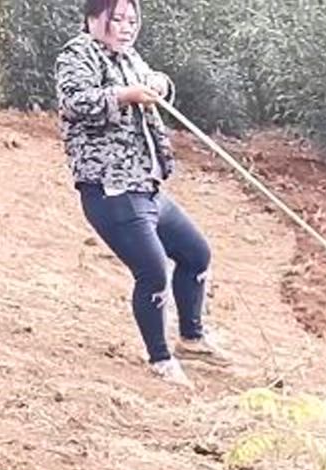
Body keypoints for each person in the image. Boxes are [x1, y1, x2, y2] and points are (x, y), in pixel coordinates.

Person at [55, 0, 229, 388]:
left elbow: (152, 81)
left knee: (196, 254)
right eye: (117, 19)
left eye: (132, 20)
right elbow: (75, 102)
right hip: (111, 188)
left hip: (146, 185)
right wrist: (125, 95)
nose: (126, 27)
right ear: (94, 19)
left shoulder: (128, 55)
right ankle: (160, 359)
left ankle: (192, 337)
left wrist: (159, 84)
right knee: (152, 273)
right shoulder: (77, 55)